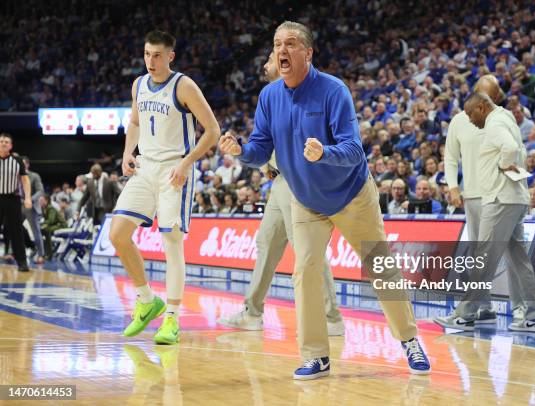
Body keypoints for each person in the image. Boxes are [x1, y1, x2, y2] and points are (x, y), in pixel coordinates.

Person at [220, 21, 430, 379]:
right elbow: (259, 149)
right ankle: (316, 355)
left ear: (307, 52)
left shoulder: (334, 90)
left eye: (289, 44)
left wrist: (324, 153)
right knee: (305, 272)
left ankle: (410, 340)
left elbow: (352, 148)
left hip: (351, 194)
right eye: (276, 45)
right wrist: (240, 150)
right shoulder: (269, 97)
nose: (281, 51)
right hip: (306, 201)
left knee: (380, 268)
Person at [218, 52, 345, 335]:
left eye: (271, 59)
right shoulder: (271, 97)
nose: (265, 65)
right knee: (266, 242)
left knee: (308, 248)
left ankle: (330, 318)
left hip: (301, 180)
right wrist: (260, 159)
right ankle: (252, 312)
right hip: (279, 183)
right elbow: (267, 139)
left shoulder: (312, 93)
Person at [109, 30, 220, 345]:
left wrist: (186, 163)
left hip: (174, 170)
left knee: (172, 241)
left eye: (157, 55)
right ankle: (146, 299)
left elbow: (212, 130)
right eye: (146, 54)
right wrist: (128, 152)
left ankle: (171, 317)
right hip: (145, 169)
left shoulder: (184, 85)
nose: (151, 61)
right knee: (117, 233)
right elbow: (134, 122)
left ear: (170, 56)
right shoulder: (139, 85)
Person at [457, 92, 535, 333]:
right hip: (515, 198)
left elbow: (508, 149)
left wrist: (503, 164)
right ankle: (534, 315)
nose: (470, 119)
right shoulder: (507, 118)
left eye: (470, 113)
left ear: (482, 106)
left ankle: (465, 314)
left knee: (483, 255)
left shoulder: (495, 122)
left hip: (500, 199)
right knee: (519, 259)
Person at [0, 133, 32, 272]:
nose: (3, 143)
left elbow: (25, 180)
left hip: (13, 198)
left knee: (17, 231)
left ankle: (22, 262)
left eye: (6, 142)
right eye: (1, 141)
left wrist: (28, 197)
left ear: (11, 145)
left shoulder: (18, 160)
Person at [21, 156, 45, 263]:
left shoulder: (34, 176)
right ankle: (19, 250)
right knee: (14, 229)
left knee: (35, 230)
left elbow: (40, 191)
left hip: (31, 205)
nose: (21, 166)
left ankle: (41, 255)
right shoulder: (15, 176)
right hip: (17, 205)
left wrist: (30, 199)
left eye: (23, 164)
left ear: (27, 165)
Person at [39, 194, 67, 259]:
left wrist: (41, 224)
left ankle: (49, 254)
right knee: (42, 230)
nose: (40, 202)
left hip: (61, 225)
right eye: (40, 200)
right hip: (54, 225)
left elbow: (51, 220)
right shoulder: (43, 208)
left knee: (46, 230)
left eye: (41, 200)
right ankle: (46, 252)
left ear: (46, 201)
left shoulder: (51, 208)